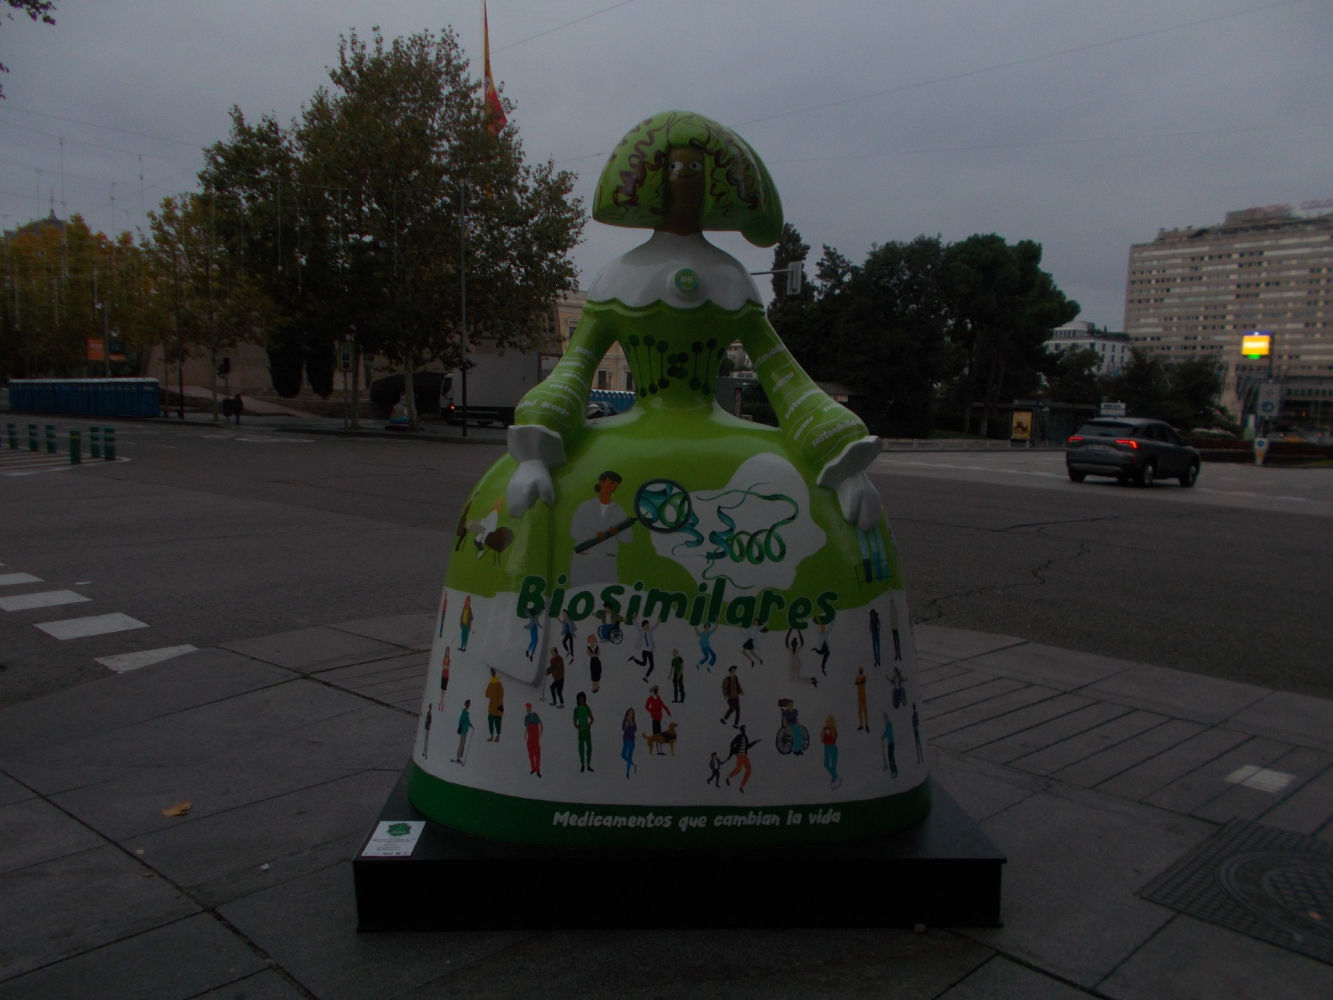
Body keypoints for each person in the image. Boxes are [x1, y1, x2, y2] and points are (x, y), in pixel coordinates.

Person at [723, 725, 759, 792]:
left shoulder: (745, 737)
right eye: (743, 729)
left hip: (744, 756)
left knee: (749, 769)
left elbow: (747, 746)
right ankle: (728, 778)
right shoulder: (738, 736)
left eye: (744, 729)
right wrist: (731, 754)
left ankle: (741, 786)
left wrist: (755, 742)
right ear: (741, 730)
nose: (744, 730)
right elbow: (732, 744)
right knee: (738, 769)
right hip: (739, 756)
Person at [573, 691, 594, 772]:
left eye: (582, 698)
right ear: (578, 700)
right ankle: (582, 764)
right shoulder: (576, 709)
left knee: (589, 747)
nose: (581, 700)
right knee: (581, 748)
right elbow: (574, 720)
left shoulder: (586, 708)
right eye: (580, 699)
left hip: (587, 731)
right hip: (581, 731)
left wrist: (589, 724)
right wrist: (576, 725)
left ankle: (588, 764)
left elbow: (592, 718)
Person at [484, 668, 504, 742]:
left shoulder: (498, 685)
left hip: (497, 707)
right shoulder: (491, 684)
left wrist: (500, 706)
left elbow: (500, 696)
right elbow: (486, 694)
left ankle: (497, 736)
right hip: (492, 707)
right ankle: (492, 736)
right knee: (491, 722)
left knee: (497, 723)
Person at [523, 703, 543, 776]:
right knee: (531, 755)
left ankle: (537, 769)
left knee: (537, 755)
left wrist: (540, 734)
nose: (528, 709)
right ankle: (533, 768)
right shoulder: (526, 717)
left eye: (529, 708)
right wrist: (525, 735)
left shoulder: (535, 715)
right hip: (530, 739)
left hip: (535, 739)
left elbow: (541, 724)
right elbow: (527, 728)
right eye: (527, 708)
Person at [821, 715, 841, 789]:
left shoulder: (830, 729)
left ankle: (835, 779)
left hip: (829, 747)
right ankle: (835, 779)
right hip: (831, 747)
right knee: (830, 765)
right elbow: (824, 738)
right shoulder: (830, 729)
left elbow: (826, 738)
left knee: (830, 765)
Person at [452, 699, 473, 764]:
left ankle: (459, 758)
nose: (469, 705)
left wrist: (471, 725)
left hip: (465, 731)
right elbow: (461, 721)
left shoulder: (466, 713)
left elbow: (467, 721)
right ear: (466, 705)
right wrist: (464, 727)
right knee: (461, 745)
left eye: (469, 704)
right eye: (468, 704)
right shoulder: (464, 713)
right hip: (463, 731)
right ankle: (458, 758)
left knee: (462, 745)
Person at [620, 707, 637, 778]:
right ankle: (633, 764)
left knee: (629, 756)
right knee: (623, 755)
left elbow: (635, 730)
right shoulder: (625, 720)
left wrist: (631, 724)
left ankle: (627, 772)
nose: (630, 714)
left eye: (632, 713)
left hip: (631, 740)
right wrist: (626, 724)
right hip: (626, 740)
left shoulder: (633, 722)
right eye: (630, 713)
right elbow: (623, 728)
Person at [881, 711, 898, 777]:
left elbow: (888, 732)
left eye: (884, 717)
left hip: (891, 743)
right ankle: (893, 771)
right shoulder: (887, 724)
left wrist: (883, 736)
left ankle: (894, 772)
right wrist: (883, 736)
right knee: (891, 757)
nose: (884, 719)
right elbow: (887, 732)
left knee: (891, 757)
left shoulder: (888, 724)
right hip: (890, 743)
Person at [854, 666, 869, 731]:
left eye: (861, 670)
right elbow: (856, 683)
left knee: (864, 710)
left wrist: (858, 682)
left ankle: (866, 724)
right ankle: (861, 724)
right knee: (860, 710)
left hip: (863, 694)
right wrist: (858, 682)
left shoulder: (863, 676)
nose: (860, 671)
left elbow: (862, 681)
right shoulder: (857, 677)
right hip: (859, 695)